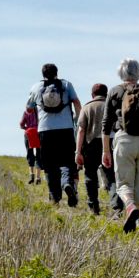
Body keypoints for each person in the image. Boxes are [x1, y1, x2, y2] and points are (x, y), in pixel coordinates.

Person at [101, 59, 139, 233]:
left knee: (124, 183)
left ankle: (129, 206)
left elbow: (106, 124)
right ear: (138, 73)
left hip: (124, 140)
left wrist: (106, 150)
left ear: (121, 73)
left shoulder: (115, 91)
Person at [27, 63, 81, 206]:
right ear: (57, 72)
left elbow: (28, 108)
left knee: (50, 165)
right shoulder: (66, 85)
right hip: (66, 129)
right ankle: (66, 184)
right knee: (67, 161)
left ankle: (55, 197)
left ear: (42, 74)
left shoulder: (36, 87)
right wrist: (77, 119)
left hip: (45, 130)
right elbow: (76, 102)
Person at [74, 83, 109, 215]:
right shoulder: (111, 106)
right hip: (110, 143)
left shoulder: (87, 107)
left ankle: (93, 204)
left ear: (92, 94)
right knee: (111, 176)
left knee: (90, 175)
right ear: (106, 94)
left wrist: (78, 151)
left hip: (91, 144)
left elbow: (81, 130)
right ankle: (117, 205)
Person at [19, 106, 42, 185]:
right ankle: (38, 177)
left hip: (28, 133)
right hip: (38, 133)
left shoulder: (26, 112)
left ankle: (31, 175)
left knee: (30, 154)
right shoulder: (39, 110)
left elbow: (21, 124)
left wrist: (26, 128)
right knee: (39, 154)